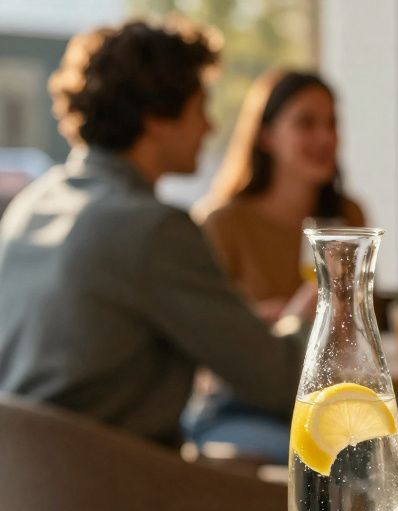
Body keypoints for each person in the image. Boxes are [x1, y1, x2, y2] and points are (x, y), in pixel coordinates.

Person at [0, 20, 304, 449]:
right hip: (115, 481)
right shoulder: (153, 230)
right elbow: (282, 381)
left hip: (25, 479)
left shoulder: (35, 201)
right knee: (339, 466)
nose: (210, 127)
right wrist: (316, 312)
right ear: (157, 118)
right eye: (200, 109)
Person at [195, 69, 366, 316]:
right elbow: (205, 322)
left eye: (332, 123)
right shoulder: (224, 225)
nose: (325, 137)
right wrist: (271, 317)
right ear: (266, 136)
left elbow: (363, 312)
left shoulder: (348, 216)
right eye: (306, 123)